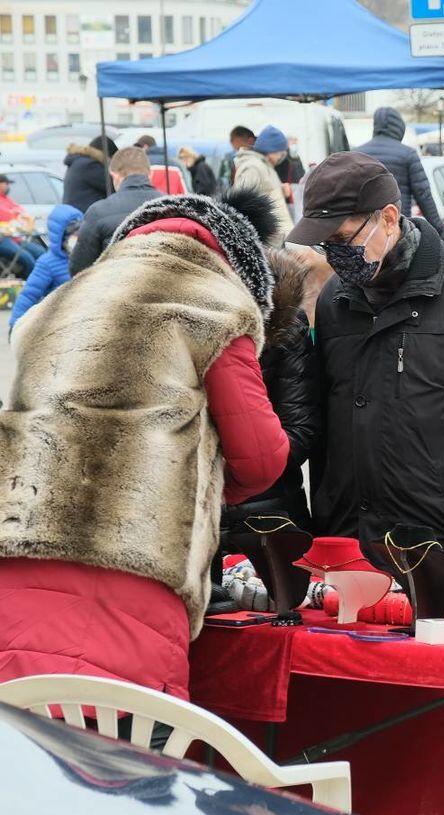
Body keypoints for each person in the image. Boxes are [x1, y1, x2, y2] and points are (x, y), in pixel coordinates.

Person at [0, 188, 290, 700]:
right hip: (136, 569)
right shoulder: (216, 305)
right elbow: (262, 458)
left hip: (16, 559)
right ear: (242, 259)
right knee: (125, 743)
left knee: (23, 744)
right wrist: (201, 484)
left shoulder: (53, 306)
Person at [289, 152, 444, 551]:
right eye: (326, 245)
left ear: (389, 218)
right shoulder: (334, 299)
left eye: (343, 239)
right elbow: (330, 425)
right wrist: (328, 524)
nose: (335, 255)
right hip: (353, 541)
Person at [222, 248, 321, 531]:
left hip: (268, 517)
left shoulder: (282, 317)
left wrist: (235, 470)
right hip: (186, 518)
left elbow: (300, 429)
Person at [355, 106, 444, 237]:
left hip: (365, 231)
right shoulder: (408, 154)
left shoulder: (357, 154)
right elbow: (424, 195)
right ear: (399, 128)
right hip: (398, 229)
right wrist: (442, 233)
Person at [69, 147, 163, 275]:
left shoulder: (98, 211)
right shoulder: (171, 206)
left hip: (114, 284)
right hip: (163, 283)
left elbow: (79, 268)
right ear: (150, 174)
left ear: (114, 175)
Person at [9, 204, 81, 331]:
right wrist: (15, 324)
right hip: (58, 323)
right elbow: (29, 295)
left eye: (79, 233)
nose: (75, 239)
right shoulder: (47, 263)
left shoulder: (87, 257)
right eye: (71, 234)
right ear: (60, 236)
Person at [231, 125, 293, 245]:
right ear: (271, 150)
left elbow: (263, 192)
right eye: (280, 152)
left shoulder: (264, 166)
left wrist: (281, 191)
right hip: (266, 242)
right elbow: (241, 204)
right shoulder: (253, 167)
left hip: (276, 240)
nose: (281, 156)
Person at [0, 174, 46, 279]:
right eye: (6, 183)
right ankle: (32, 283)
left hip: (15, 238)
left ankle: (45, 282)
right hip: (3, 240)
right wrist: (16, 215)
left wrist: (19, 215)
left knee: (41, 253)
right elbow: (8, 214)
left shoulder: (6, 199)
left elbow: (20, 211)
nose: (8, 186)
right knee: (28, 259)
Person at [61, 135, 118, 213]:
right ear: (108, 156)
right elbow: (114, 186)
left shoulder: (80, 162)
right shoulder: (90, 166)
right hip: (85, 214)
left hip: (77, 212)